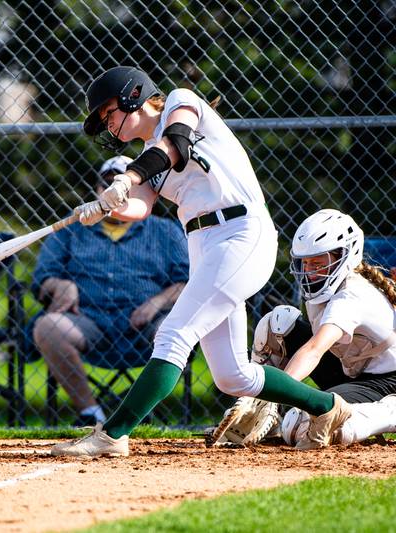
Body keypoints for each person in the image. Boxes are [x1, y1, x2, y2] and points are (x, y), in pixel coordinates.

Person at [51, 66, 351, 457]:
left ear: (133, 96)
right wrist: (106, 206)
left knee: (173, 335)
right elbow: (140, 207)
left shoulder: (181, 101)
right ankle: (328, 408)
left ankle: (113, 435)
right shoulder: (143, 159)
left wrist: (129, 178)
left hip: (241, 232)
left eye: (109, 112)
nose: (109, 125)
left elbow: (174, 143)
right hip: (205, 245)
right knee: (232, 376)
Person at [215, 209, 396, 447]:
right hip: (352, 372)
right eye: (305, 263)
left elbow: (314, 349)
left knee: (300, 426)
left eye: (318, 263)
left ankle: (387, 413)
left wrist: (273, 392)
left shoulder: (352, 295)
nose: (309, 272)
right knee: (277, 323)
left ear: (346, 256)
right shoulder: (324, 291)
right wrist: (259, 398)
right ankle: (263, 417)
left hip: (386, 383)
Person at [29, 155, 188, 427]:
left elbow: (187, 282)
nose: (114, 191)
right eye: (107, 184)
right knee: (48, 327)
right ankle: (92, 415)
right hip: (89, 322)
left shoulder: (166, 231)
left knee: (173, 329)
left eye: (123, 184)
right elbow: (42, 278)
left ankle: (137, 411)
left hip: (147, 326)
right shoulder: (71, 229)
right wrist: (59, 285)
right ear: (96, 191)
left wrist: (156, 303)